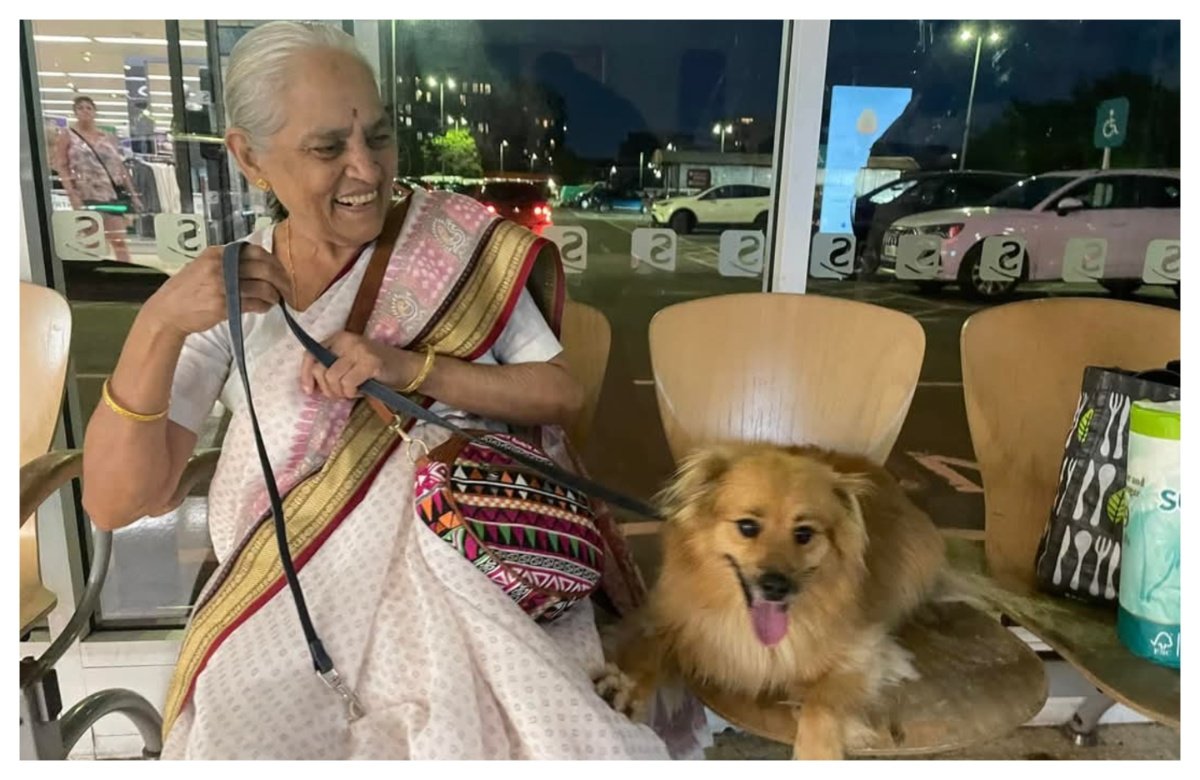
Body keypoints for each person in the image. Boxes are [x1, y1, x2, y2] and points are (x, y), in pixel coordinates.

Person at [81, 21, 668, 760]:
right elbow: (117, 502)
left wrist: (407, 369)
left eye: (379, 138)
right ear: (250, 157)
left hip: (477, 568)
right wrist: (159, 325)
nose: (366, 169)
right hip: (292, 598)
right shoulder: (234, 290)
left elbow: (558, 394)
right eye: (328, 148)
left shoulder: (454, 244)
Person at [52, 95, 143, 263]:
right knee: (91, 241)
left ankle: (127, 272)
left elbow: (119, 166)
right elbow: (62, 165)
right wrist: (71, 192)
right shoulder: (68, 135)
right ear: (75, 112)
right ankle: (93, 275)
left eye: (88, 108)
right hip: (86, 194)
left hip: (111, 194)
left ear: (95, 112)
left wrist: (132, 193)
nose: (85, 111)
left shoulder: (107, 136)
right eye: (80, 108)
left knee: (119, 240)